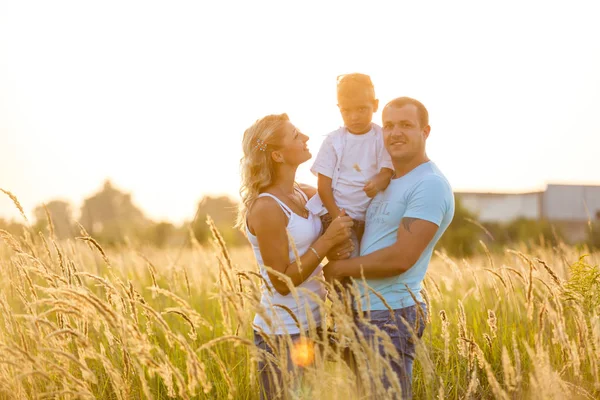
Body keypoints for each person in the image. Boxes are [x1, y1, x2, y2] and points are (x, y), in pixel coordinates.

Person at [324, 97, 455, 399]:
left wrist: (336, 269)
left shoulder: (429, 184)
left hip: (391, 314)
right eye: (389, 126)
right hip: (365, 310)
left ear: (426, 131)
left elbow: (402, 258)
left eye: (406, 125)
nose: (395, 133)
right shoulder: (389, 181)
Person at [236, 113, 354, 399]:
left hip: (312, 327)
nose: (306, 138)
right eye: (295, 135)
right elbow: (281, 281)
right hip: (281, 334)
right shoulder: (267, 207)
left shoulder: (304, 194)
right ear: (277, 155)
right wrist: (328, 241)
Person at [307, 73, 394, 258]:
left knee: (370, 262)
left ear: (375, 105)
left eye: (362, 109)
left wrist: (378, 181)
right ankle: (338, 287)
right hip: (336, 213)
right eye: (347, 111)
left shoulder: (381, 137)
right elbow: (323, 186)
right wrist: (337, 218)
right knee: (348, 258)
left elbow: (387, 171)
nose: (354, 117)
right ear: (339, 109)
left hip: (371, 218)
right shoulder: (334, 141)